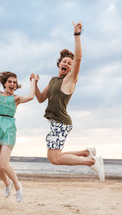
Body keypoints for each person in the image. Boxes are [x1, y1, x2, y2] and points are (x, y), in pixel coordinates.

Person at [34, 21, 105, 181]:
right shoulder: (53, 80)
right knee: (54, 157)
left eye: (69, 63)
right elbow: (40, 99)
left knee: (55, 158)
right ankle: (86, 153)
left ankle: (92, 161)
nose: (66, 63)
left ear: (72, 68)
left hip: (61, 123)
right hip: (55, 123)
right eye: (64, 61)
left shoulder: (69, 80)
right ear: (59, 64)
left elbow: (78, 58)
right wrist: (35, 84)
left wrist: (77, 35)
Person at [0, 68, 38, 202]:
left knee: (4, 165)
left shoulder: (16, 98)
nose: (12, 84)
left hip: (8, 131)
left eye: (15, 82)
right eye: (10, 81)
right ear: (5, 83)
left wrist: (33, 81)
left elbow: (31, 96)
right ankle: (7, 183)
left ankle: (17, 186)